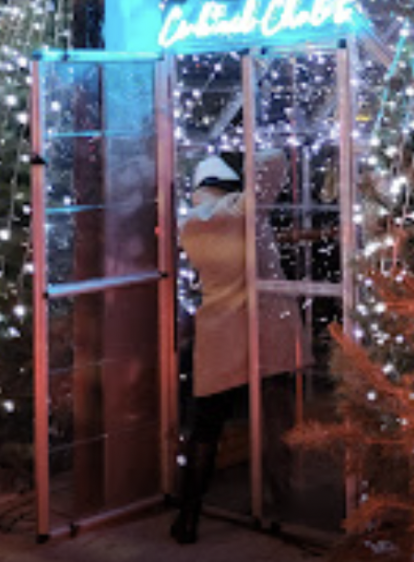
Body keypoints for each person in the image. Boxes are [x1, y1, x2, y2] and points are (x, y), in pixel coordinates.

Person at [171, 152, 305, 544]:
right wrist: (254, 145)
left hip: (218, 333)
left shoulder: (189, 225)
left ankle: (188, 517)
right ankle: (282, 499)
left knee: (206, 428)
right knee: (276, 417)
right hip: (265, 328)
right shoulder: (243, 211)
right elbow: (275, 163)